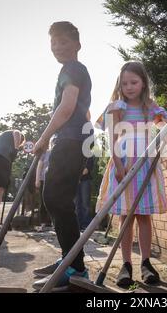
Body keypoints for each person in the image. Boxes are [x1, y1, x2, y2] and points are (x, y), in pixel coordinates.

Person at [95, 61, 167, 287]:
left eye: (134, 82)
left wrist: (165, 123)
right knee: (125, 217)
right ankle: (125, 264)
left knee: (144, 216)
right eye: (125, 83)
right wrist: (118, 166)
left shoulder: (150, 106)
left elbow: (166, 126)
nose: (129, 87)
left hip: (145, 166)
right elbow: (112, 138)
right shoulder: (117, 107)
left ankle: (146, 263)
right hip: (124, 165)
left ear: (143, 83)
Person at [31, 21, 91, 291]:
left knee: (56, 199)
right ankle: (69, 259)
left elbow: (66, 108)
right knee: (58, 200)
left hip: (71, 140)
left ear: (77, 45)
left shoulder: (73, 69)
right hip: (68, 141)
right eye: (53, 43)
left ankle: (76, 268)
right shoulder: (71, 71)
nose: (57, 47)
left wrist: (43, 138)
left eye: (63, 42)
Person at [35, 138, 54, 231]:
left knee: (54, 202)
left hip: (55, 181)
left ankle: (52, 222)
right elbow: (39, 166)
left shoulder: (60, 154)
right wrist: (37, 180)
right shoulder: (45, 154)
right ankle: (43, 223)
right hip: (44, 180)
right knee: (43, 202)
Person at [75, 156, 94, 231]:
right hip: (75, 181)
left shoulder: (89, 155)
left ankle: (86, 225)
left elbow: (86, 170)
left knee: (85, 203)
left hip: (85, 181)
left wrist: (77, 175)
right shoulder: (75, 153)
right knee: (76, 204)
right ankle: (77, 225)